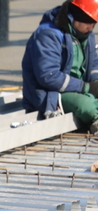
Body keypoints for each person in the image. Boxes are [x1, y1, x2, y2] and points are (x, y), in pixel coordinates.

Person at [22, 0, 98, 135]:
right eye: (88, 22)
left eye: (94, 23)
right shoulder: (48, 34)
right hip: (49, 94)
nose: (91, 27)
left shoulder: (87, 35)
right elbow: (48, 76)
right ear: (74, 17)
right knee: (86, 106)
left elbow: (93, 65)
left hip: (78, 87)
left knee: (90, 100)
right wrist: (86, 87)